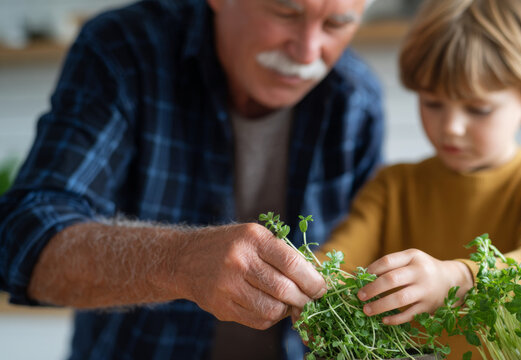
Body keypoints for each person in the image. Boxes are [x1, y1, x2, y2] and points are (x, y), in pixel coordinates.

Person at [0, 0, 382, 359]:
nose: (307, 53)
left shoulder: (356, 100)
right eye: (285, 13)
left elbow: (359, 268)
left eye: (336, 24)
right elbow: (23, 240)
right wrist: (178, 262)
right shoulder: (124, 49)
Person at [317, 0, 521, 358]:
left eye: (478, 109)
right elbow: (338, 261)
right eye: (432, 103)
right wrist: (308, 282)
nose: (451, 127)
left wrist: (458, 279)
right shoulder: (393, 185)